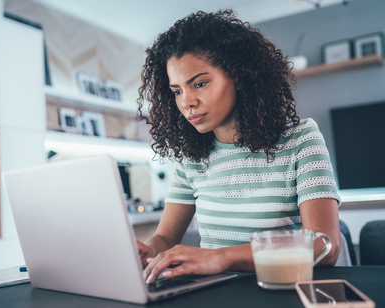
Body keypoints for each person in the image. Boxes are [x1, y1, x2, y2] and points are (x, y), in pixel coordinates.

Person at [136, 9, 341, 284]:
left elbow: (325, 246)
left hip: (283, 289)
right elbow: (164, 238)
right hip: (215, 294)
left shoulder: (301, 139)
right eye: (177, 91)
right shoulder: (191, 158)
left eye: (200, 83)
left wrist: (221, 256)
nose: (187, 102)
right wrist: (148, 250)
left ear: (240, 76)